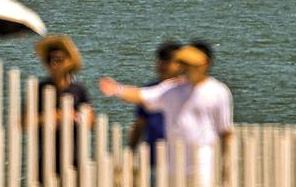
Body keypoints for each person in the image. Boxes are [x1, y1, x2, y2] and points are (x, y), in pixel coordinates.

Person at [100, 41, 233, 187]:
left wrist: (227, 166)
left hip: (203, 166)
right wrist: (117, 89)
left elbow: (225, 131)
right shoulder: (172, 89)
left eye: (190, 63)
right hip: (172, 167)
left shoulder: (218, 91)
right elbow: (142, 95)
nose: (186, 67)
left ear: (205, 64)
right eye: (184, 63)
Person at [29, 34, 94, 184]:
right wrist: (53, 116)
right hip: (46, 158)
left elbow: (92, 121)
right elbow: (24, 121)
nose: (54, 64)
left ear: (68, 63)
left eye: (59, 60)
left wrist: (78, 116)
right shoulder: (40, 89)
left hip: (74, 158)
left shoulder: (78, 90)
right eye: (50, 60)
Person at [127, 41, 182, 168]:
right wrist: (130, 152)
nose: (162, 65)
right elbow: (140, 124)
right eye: (160, 60)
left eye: (167, 61)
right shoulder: (148, 90)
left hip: (182, 160)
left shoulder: (187, 90)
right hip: (153, 161)